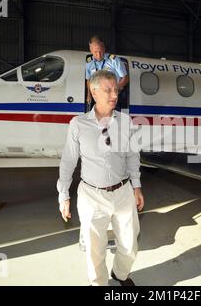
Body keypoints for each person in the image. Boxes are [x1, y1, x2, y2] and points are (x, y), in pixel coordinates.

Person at [57, 70, 144, 286]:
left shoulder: (126, 122)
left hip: (123, 192)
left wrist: (137, 186)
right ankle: (99, 284)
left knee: (130, 244)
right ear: (93, 92)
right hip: (91, 195)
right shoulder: (78, 124)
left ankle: (120, 274)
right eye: (108, 90)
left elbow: (133, 156)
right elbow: (68, 161)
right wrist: (63, 195)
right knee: (94, 249)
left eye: (116, 89)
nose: (114, 94)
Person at [85, 36, 129, 111]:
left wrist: (114, 90)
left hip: (112, 97)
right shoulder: (89, 63)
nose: (98, 55)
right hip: (98, 97)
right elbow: (89, 80)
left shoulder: (114, 61)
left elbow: (125, 78)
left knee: (113, 119)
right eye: (95, 52)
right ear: (91, 50)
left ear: (104, 49)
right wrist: (89, 95)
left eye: (101, 51)